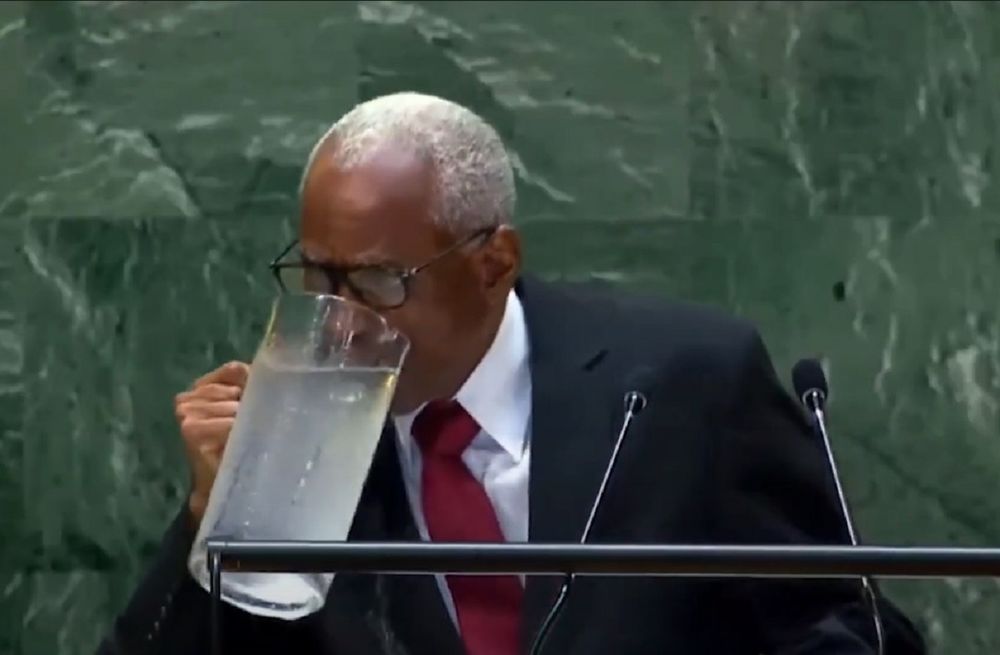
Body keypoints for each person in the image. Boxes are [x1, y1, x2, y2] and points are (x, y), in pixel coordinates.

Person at [99, 92, 925, 655]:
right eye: (319, 276)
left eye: (380, 281)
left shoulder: (683, 385)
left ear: (492, 261)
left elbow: (842, 625)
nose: (342, 316)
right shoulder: (299, 440)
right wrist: (213, 520)